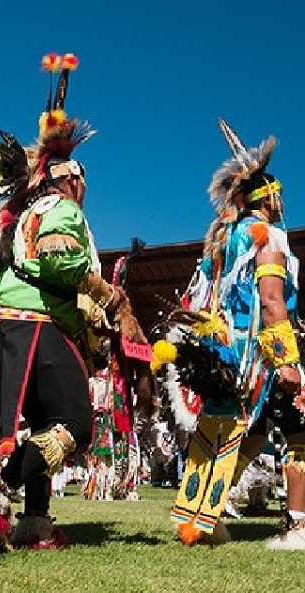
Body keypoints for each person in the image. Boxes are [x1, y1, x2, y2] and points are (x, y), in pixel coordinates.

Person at [0, 57, 109, 552]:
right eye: (82, 181)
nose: (84, 191)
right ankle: (1, 475)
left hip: (3, 329)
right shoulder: (59, 209)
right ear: (69, 179)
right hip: (39, 326)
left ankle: (35, 525)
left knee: (44, 427)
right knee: (75, 426)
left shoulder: (10, 220)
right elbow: (59, 264)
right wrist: (98, 289)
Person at [156, 121, 305, 548]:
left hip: (224, 351)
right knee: (300, 434)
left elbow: (201, 298)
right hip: (259, 356)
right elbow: (273, 300)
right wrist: (289, 362)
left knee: (242, 433)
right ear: (268, 198)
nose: (282, 203)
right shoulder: (267, 238)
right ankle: (297, 527)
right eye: (278, 195)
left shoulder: (221, 242)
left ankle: (202, 519)